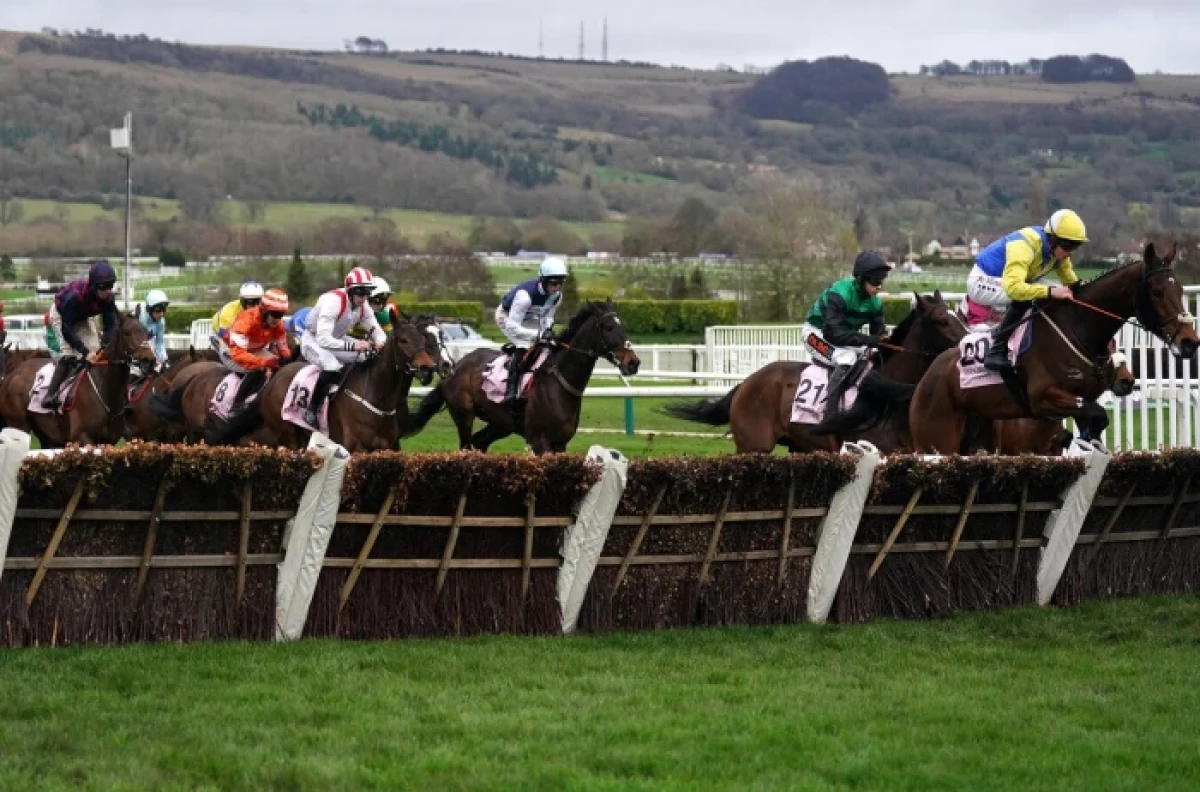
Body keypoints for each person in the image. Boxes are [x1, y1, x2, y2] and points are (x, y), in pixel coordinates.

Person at [969, 209, 1085, 371]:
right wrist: (1051, 292)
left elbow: (1071, 283)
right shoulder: (1024, 245)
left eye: (1076, 246)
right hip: (982, 281)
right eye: (1068, 246)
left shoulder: (1058, 252)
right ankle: (996, 351)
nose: (1071, 252)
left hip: (1010, 281)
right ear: (1053, 239)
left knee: (1057, 292)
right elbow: (1015, 289)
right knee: (1029, 295)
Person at [802, 251, 891, 420]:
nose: (879, 286)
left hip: (842, 336)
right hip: (816, 334)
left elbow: (878, 335)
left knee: (870, 357)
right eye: (875, 281)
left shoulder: (875, 303)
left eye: (881, 280)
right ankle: (830, 413)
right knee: (846, 358)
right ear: (861, 279)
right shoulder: (840, 293)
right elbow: (833, 334)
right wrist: (870, 340)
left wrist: (884, 341)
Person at [300, 267, 382, 427]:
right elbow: (323, 339)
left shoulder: (364, 306)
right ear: (350, 291)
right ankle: (312, 408)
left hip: (336, 339)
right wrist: (354, 346)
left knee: (367, 357)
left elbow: (378, 331)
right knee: (332, 366)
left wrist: (380, 342)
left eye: (367, 292)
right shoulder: (333, 302)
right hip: (314, 340)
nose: (364, 297)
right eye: (360, 292)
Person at [42, 260, 119, 409]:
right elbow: (66, 329)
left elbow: (109, 325)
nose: (107, 291)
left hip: (83, 316)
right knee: (70, 355)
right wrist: (84, 351)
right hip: (61, 316)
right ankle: (50, 395)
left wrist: (105, 344)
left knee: (97, 354)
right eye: (103, 287)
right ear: (94, 286)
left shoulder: (109, 298)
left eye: (110, 286)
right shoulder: (75, 297)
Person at [494, 257, 568, 405]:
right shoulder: (525, 296)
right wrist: (538, 335)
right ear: (543, 280)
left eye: (560, 283)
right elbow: (513, 327)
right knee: (524, 346)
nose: (557, 288)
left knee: (548, 347)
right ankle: (511, 391)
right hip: (507, 318)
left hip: (529, 318)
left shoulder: (557, 296)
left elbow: (548, 317)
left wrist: (547, 330)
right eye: (553, 283)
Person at [225, 287, 291, 417]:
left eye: (281, 315)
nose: (277, 319)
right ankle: (236, 405)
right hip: (232, 351)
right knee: (259, 369)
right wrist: (264, 362)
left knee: (281, 366)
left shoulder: (278, 324)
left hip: (253, 350)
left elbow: (284, 349)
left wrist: (287, 360)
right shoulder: (246, 320)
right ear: (264, 310)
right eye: (275, 314)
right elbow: (238, 354)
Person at [135, 289, 170, 371]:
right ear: (149, 310)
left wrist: (164, 359)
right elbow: (140, 344)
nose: (161, 314)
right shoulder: (141, 320)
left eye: (163, 310)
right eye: (158, 311)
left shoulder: (161, 322)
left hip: (148, 347)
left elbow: (159, 343)